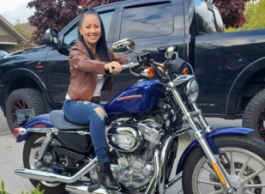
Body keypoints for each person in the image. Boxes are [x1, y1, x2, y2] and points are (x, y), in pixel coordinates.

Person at [63, 8, 129, 190]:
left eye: (96, 26)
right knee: (98, 112)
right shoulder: (76, 50)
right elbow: (85, 64)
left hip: (93, 102)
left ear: (101, 29)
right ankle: (103, 171)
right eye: (88, 26)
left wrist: (147, 63)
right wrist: (107, 66)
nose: (93, 30)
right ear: (81, 30)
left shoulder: (104, 51)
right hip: (74, 104)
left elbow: (121, 59)